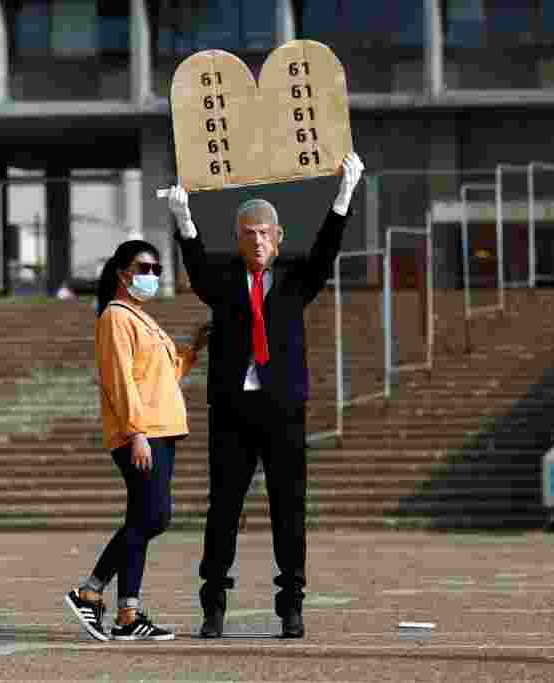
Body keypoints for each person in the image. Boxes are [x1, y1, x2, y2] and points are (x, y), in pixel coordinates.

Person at [164, 152, 364, 639]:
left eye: (265, 233)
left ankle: (291, 604)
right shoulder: (224, 282)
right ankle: (214, 605)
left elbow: (326, 251)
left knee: (289, 508)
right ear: (238, 239)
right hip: (233, 411)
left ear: (279, 239)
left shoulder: (297, 282)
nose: (257, 240)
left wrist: (344, 194)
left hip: (283, 411)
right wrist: (183, 217)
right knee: (223, 509)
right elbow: (195, 264)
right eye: (249, 233)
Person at [63, 240, 210, 642]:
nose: (152, 276)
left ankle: (128, 614)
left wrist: (194, 348)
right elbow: (119, 379)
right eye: (144, 267)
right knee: (153, 517)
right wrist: (136, 432)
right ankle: (89, 591)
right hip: (143, 433)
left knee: (143, 519)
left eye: (157, 269)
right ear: (121, 273)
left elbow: (162, 376)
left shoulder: (142, 318)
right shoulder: (116, 317)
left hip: (160, 430)